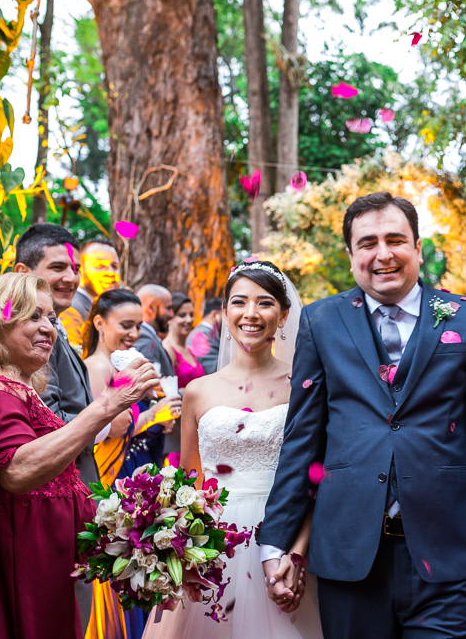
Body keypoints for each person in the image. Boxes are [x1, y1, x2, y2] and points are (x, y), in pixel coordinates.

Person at [259, 191, 466, 638]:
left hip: (450, 556)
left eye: (395, 240)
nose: (383, 254)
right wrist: (275, 540)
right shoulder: (321, 322)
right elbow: (302, 440)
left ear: (418, 249)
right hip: (349, 556)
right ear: (351, 257)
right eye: (367, 243)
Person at [0, 273, 157, 639]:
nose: (48, 328)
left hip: (23, 583)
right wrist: (109, 404)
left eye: (50, 318)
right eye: (32, 316)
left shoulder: (15, 389)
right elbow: (18, 470)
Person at [143, 260, 322, 638]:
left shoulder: (304, 386)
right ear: (224, 312)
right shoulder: (198, 391)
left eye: (265, 302)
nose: (251, 313)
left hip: (284, 535)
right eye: (239, 302)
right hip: (214, 545)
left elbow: (314, 478)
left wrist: (297, 553)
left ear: (284, 314)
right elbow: (190, 482)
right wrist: (177, 550)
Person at [12, 223, 116, 634]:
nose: (71, 277)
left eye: (74, 268)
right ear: (23, 273)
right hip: (49, 506)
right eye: (58, 267)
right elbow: (47, 421)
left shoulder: (56, 327)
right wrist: (108, 418)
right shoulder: (27, 338)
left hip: (77, 503)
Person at [82, 289, 181, 639]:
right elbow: (98, 431)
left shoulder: (124, 365)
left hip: (136, 466)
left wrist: (155, 420)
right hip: (112, 474)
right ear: (99, 323)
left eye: (138, 326)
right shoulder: (96, 367)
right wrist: (151, 417)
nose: (134, 334)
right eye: (126, 325)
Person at [135, 284, 178, 458]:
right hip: (148, 433)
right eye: (168, 308)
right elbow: (147, 390)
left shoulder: (151, 337)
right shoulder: (145, 339)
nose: (171, 314)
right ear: (151, 307)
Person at [60, 239, 121, 346]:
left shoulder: (103, 307)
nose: (111, 272)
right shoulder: (71, 309)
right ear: (79, 270)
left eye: (114, 266)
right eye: (100, 266)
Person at [162, 291, 205, 390]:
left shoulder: (190, 350)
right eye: (182, 315)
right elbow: (166, 389)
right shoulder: (167, 349)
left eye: (191, 314)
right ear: (169, 318)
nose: (189, 320)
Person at [188, 297, 223, 374]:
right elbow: (212, 368)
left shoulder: (201, 332)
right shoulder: (205, 335)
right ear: (214, 315)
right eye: (224, 315)